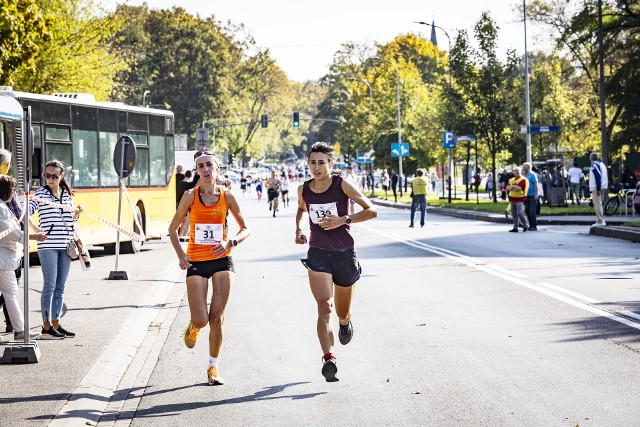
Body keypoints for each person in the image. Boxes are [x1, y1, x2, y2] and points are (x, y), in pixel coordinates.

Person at [295, 142, 377, 382]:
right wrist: (299, 229)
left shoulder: (342, 185)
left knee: (341, 311)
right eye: (313, 162)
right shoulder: (304, 189)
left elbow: (371, 210)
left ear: (331, 164)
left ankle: (345, 322)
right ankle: (329, 358)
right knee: (324, 307)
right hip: (318, 253)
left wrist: (344, 219)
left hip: (344, 254)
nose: (317, 167)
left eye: (322, 162)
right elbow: (301, 210)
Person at [168, 151, 250, 386]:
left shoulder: (227, 196)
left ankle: (212, 367)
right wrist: (181, 255)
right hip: (196, 261)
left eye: (209, 165)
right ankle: (194, 326)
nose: (205, 170)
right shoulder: (189, 196)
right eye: (201, 166)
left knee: (217, 319)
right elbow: (173, 229)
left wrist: (230, 242)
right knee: (202, 319)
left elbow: (245, 228)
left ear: (216, 169)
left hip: (222, 259)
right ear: (197, 171)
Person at [28, 160, 84, 339]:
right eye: (47, 175)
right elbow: (25, 213)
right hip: (48, 246)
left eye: (54, 176)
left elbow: (70, 222)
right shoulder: (40, 193)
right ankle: (46, 327)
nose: (50, 179)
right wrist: (36, 230)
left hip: (65, 246)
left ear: (61, 176)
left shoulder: (66, 194)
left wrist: (76, 215)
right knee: (50, 285)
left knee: (61, 286)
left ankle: (56, 323)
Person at [0, 176, 45, 341]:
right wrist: (34, 236)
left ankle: (20, 330)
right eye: (12, 189)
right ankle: (20, 331)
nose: (14, 193)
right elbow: (11, 232)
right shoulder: (1, 208)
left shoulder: (4, 206)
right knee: (11, 294)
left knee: (9, 294)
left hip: (5, 258)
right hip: (3, 260)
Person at [506, 167, 529, 233]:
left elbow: (519, 188)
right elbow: (507, 188)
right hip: (512, 198)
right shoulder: (511, 180)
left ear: (521, 171)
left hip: (520, 198)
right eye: (515, 171)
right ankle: (515, 227)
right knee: (514, 214)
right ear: (513, 172)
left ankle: (525, 225)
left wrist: (512, 187)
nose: (516, 172)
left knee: (520, 213)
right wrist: (514, 187)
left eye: (517, 170)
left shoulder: (523, 179)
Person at [589, 152, 608, 227]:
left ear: (591, 158)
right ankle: (600, 219)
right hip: (603, 186)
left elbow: (598, 176)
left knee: (597, 204)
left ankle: (600, 221)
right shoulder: (602, 164)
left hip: (597, 187)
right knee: (600, 204)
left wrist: (598, 188)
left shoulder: (594, 165)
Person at [522, 162, 539, 231]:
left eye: (526, 167)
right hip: (526, 195)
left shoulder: (532, 175)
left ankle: (533, 226)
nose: (524, 169)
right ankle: (530, 224)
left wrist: (536, 194)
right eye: (524, 167)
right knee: (527, 211)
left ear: (529, 167)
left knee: (532, 211)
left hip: (532, 195)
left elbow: (536, 185)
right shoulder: (524, 175)